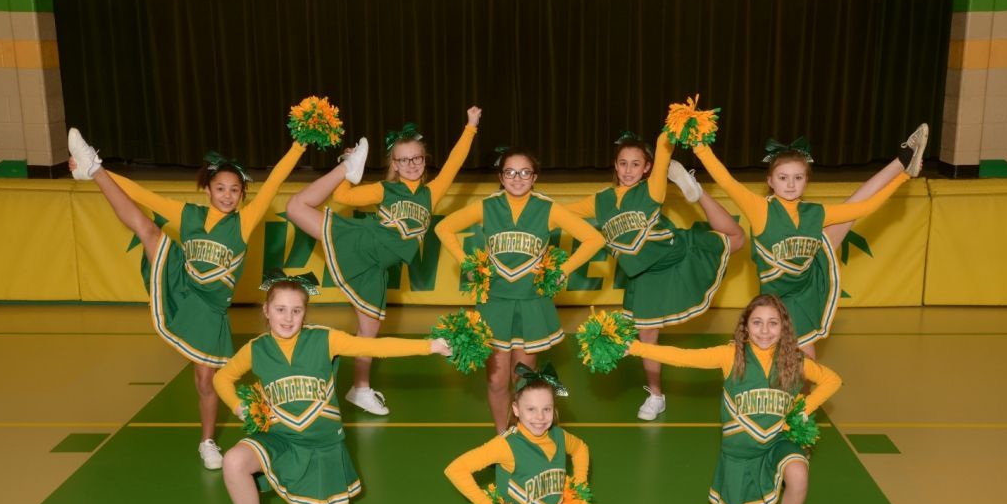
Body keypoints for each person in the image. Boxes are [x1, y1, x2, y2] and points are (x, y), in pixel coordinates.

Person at [312, 364, 746, 504]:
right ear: (515, 410)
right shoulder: (507, 445)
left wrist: (575, 490)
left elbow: (582, 451)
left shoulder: (559, 435)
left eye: (547, 409)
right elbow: (456, 469)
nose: (540, 417)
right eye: (531, 409)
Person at [67, 128, 307, 469]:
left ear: (241, 195)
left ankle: (207, 441)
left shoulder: (243, 222)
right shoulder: (189, 215)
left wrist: (299, 145)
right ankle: (95, 167)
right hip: (183, 286)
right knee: (147, 229)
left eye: (234, 190)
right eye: (220, 188)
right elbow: (140, 194)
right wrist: (101, 174)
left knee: (205, 380)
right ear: (207, 188)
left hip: (211, 311)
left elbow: (273, 184)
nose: (227, 196)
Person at [210, 271, 452, 504]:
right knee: (233, 460)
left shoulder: (324, 339)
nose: (288, 318)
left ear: (305, 313)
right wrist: (238, 407)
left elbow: (374, 347)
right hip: (280, 441)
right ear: (266, 311)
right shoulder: (256, 349)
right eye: (280, 310)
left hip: (321, 451)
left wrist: (430, 346)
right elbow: (222, 378)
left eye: (296, 311)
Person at [625, 294, 842, 504]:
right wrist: (635, 348)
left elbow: (831, 380)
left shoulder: (793, 359)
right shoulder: (731, 355)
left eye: (773, 323)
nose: (765, 330)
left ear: (784, 327)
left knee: (798, 473)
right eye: (757, 322)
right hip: (741, 453)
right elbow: (682, 357)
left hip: (779, 440)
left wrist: (803, 409)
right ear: (745, 326)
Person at [690, 125, 927, 358]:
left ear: (806, 181)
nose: (791, 184)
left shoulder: (816, 212)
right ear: (770, 181)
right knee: (781, 357)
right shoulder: (760, 209)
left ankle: (903, 161)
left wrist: (904, 179)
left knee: (805, 355)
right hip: (777, 295)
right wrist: (700, 147)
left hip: (808, 283)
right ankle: (903, 159)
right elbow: (727, 181)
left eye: (798, 178)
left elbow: (865, 207)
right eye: (783, 178)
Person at [563, 130, 745, 420]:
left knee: (736, 238)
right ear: (615, 165)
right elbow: (557, 212)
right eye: (623, 163)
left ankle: (697, 191)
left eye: (636, 164)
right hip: (643, 275)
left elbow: (664, 146)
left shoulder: (652, 189)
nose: (628, 170)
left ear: (647, 168)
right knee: (648, 337)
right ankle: (656, 395)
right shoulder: (599, 201)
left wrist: (676, 125)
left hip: (675, 253)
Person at [317, 108, 482, 416]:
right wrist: (346, 167)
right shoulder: (385, 189)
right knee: (369, 330)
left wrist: (470, 126)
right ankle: (355, 385)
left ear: (425, 159)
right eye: (403, 159)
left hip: (377, 267)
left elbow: (454, 163)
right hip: (362, 249)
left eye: (417, 158)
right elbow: (342, 198)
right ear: (394, 163)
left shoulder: (431, 193)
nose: (410, 164)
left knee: (369, 331)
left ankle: (358, 388)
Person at [434, 148, 605, 432]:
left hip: (531, 303)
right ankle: (504, 437)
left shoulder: (547, 208)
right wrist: (467, 262)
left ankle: (525, 434)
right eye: (510, 172)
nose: (517, 178)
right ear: (501, 177)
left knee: (523, 378)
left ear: (534, 177)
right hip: (495, 302)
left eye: (525, 172)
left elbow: (593, 238)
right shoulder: (487, 206)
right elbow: (444, 228)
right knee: (496, 380)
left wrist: (562, 269)